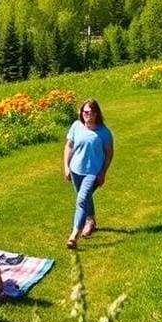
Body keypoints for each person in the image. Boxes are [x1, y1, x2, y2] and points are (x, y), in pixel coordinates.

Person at [63, 99, 113, 249]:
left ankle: (73, 236)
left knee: (81, 200)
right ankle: (91, 221)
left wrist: (103, 173)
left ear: (97, 114)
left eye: (90, 112)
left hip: (93, 173)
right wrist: (66, 167)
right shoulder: (76, 126)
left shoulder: (104, 132)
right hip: (75, 170)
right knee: (84, 197)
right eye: (85, 112)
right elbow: (69, 147)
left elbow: (109, 154)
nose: (87, 115)